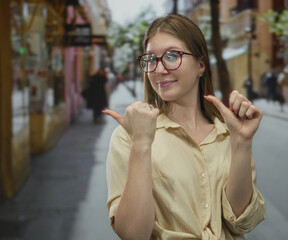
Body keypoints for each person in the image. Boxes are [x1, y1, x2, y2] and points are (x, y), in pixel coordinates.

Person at [103, 14, 265, 240]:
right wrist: (141, 145)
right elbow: (133, 234)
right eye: (151, 59)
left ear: (201, 64)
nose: (158, 69)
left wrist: (242, 143)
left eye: (172, 56)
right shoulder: (129, 136)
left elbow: (241, 221)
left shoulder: (229, 132)